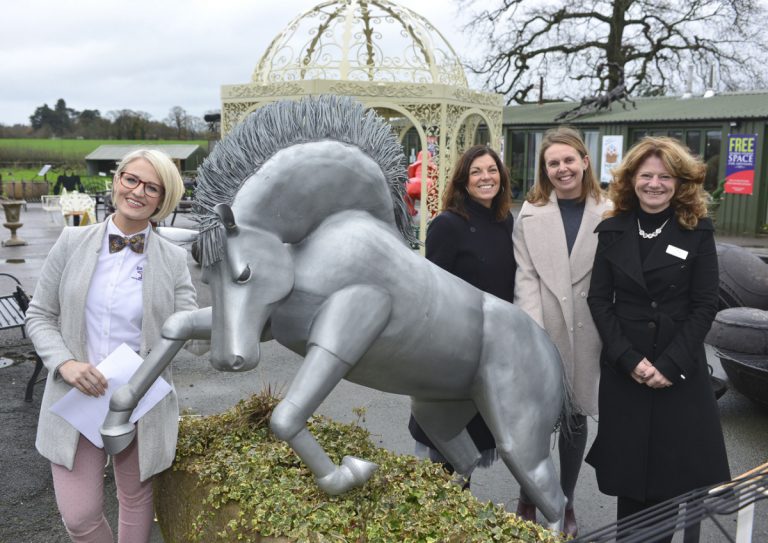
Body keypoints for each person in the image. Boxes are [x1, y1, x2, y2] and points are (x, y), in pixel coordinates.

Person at [26, 149, 198, 543]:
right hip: (75, 397)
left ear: (163, 199)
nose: (138, 192)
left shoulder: (172, 259)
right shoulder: (72, 242)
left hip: (140, 400)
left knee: (136, 503)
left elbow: (193, 335)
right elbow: (40, 315)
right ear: (117, 180)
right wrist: (65, 363)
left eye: (152, 188)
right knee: (80, 517)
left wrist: (234, 295)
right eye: (131, 179)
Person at [586, 137, 730, 542]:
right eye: (646, 175)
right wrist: (628, 358)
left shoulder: (696, 229)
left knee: (677, 478)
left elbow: (705, 304)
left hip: (678, 371)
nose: (654, 184)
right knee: (632, 481)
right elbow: (599, 300)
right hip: (626, 372)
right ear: (631, 180)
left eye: (664, 176)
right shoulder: (612, 229)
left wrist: (670, 365)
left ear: (679, 181)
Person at [512, 126, 609, 537]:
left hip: (590, 330)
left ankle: (565, 499)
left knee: (574, 420)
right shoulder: (530, 213)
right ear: (544, 169)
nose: (562, 168)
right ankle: (528, 495)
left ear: (585, 161)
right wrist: (535, 335)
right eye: (553, 162)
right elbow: (526, 277)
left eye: (569, 160)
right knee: (534, 420)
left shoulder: (609, 212)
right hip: (544, 326)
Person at [407, 144, 516, 486]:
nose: (486, 177)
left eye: (492, 170)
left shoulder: (505, 221)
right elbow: (432, 293)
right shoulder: (448, 225)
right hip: (453, 351)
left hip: (492, 348)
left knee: (475, 439)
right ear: (464, 181)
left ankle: (457, 518)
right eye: (477, 172)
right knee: (447, 442)